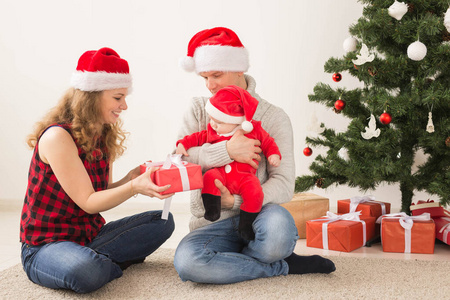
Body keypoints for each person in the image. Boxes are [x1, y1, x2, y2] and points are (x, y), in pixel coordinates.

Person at [173, 27, 335, 284]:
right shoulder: (198, 110)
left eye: (216, 75)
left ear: (240, 69)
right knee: (188, 263)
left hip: (261, 217)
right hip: (212, 223)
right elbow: (178, 160)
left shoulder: (273, 117)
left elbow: (283, 185)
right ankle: (278, 266)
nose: (210, 85)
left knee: (278, 234)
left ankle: (246, 259)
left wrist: (235, 201)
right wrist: (226, 151)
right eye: (204, 77)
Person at [20, 47, 175, 293]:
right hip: (46, 245)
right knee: (85, 271)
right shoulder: (57, 137)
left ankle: (98, 258)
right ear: (92, 96)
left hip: (90, 236)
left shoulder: (103, 133)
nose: (124, 105)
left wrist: (131, 178)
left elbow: (100, 191)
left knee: (164, 222)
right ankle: (105, 262)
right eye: (117, 97)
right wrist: (133, 187)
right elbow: (90, 202)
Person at [176, 85, 281, 240]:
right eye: (211, 119)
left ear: (236, 121)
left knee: (255, 192)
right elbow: (197, 137)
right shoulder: (214, 131)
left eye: (219, 121)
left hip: (245, 177)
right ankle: (212, 209)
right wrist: (182, 144)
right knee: (209, 177)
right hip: (220, 174)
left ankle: (246, 225)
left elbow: (268, 142)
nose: (213, 124)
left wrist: (274, 154)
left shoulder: (253, 130)